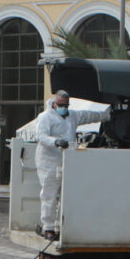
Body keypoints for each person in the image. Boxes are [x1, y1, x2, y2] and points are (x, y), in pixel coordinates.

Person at [29, 91, 79, 237]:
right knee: (49, 194)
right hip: (48, 161)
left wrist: (106, 113)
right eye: (61, 105)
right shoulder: (45, 117)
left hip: (65, 160)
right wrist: (55, 141)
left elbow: (88, 115)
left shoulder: (72, 116)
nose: (64, 107)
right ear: (54, 103)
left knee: (65, 195)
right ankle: (48, 227)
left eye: (66, 105)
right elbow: (40, 136)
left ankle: (62, 225)